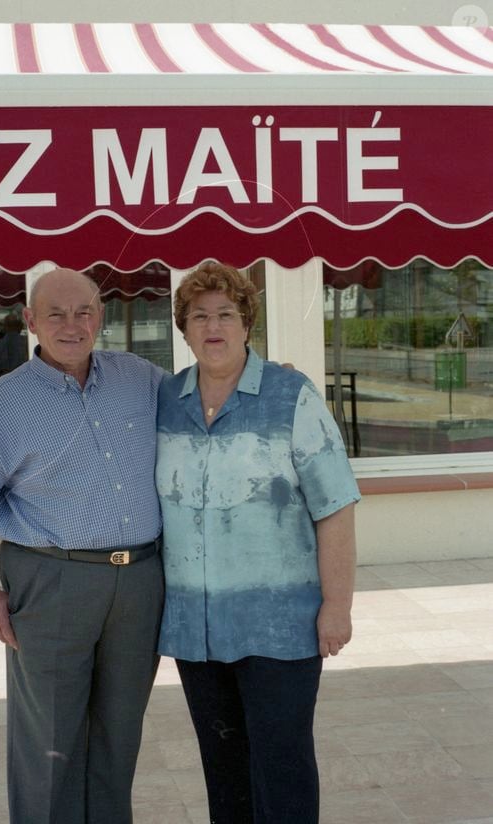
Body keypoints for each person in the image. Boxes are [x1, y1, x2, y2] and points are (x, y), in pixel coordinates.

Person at [0, 268, 164, 824]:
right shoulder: (4, 403)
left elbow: (209, 392)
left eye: (83, 311)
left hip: (139, 583)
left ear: (101, 318)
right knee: (50, 744)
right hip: (51, 581)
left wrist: (269, 376)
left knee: (119, 734)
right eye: (56, 314)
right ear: (30, 321)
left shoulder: (141, 378)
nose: (72, 325)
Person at [155, 262, 360, 824]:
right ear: (184, 328)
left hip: (281, 628)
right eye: (199, 315)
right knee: (223, 770)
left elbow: (336, 507)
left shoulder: (290, 395)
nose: (213, 325)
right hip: (197, 630)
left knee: (282, 766)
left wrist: (337, 608)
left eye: (226, 313)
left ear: (247, 322)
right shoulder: (164, 400)